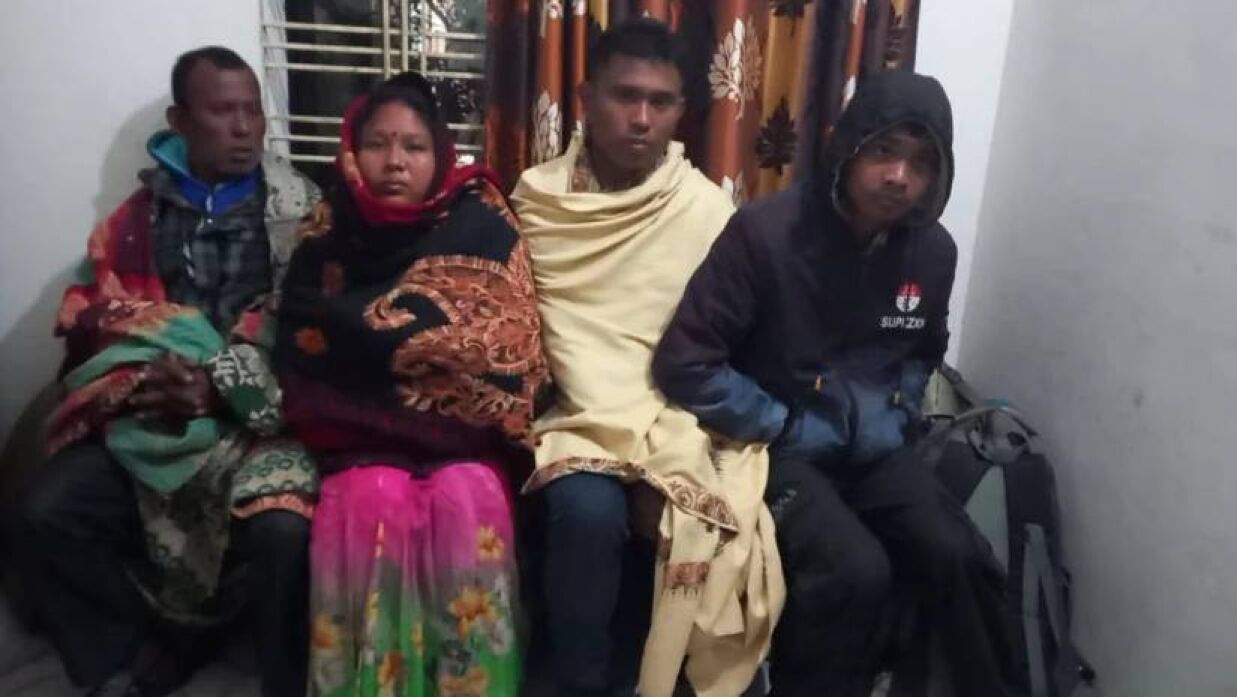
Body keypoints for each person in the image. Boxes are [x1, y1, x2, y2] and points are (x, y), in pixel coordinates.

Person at [652, 71, 1016, 697]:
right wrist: (779, 422)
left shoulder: (933, 253)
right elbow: (686, 361)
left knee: (957, 552)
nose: (899, 176)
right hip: (778, 446)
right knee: (854, 571)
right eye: (883, 151)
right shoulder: (766, 234)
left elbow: (924, 351)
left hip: (877, 449)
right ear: (848, 146)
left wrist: (898, 414)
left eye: (921, 163)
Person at [15, 47, 322, 697]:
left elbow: (319, 326)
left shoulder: (301, 210)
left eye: (253, 111)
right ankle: (138, 649)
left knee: (282, 530)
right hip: (154, 408)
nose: (244, 128)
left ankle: (281, 679)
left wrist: (221, 384)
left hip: (259, 417)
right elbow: (96, 317)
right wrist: (146, 377)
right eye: (223, 111)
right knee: (47, 509)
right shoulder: (133, 220)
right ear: (181, 121)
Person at [511, 19, 784, 697]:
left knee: (707, 516)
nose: (641, 119)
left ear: (680, 110)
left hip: (677, 416)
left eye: (660, 102)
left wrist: (662, 450)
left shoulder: (704, 209)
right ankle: (579, 683)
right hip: (575, 416)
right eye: (624, 96)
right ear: (585, 99)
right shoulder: (538, 201)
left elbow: (725, 343)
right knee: (586, 510)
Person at [273, 71, 548, 697]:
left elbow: (512, 349)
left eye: (414, 146)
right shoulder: (327, 230)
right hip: (354, 441)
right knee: (371, 500)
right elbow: (303, 346)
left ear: (441, 154)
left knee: (466, 501)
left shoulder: (483, 222)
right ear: (353, 150)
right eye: (377, 143)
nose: (395, 161)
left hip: (467, 442)